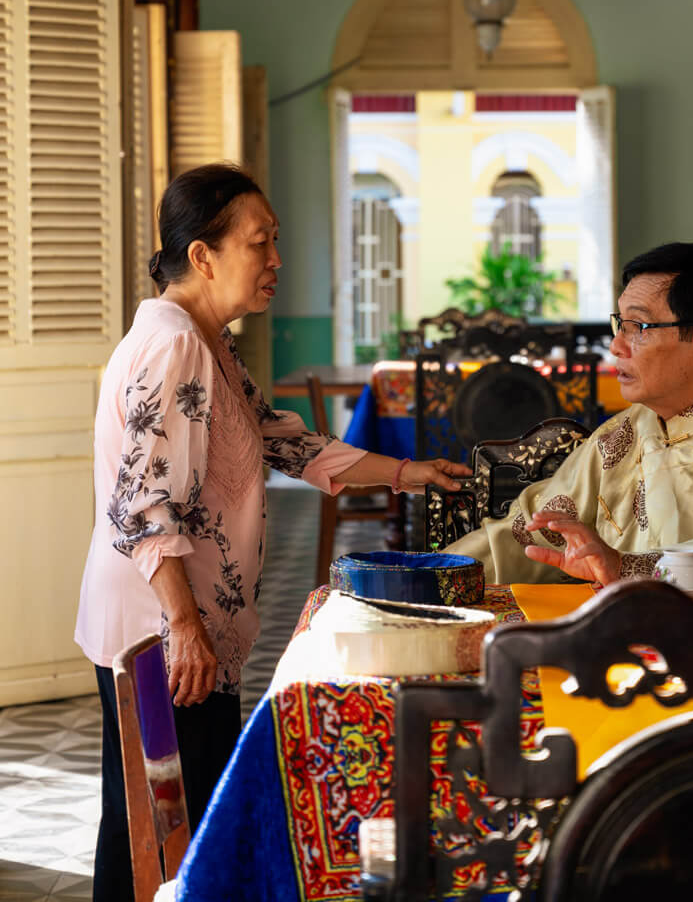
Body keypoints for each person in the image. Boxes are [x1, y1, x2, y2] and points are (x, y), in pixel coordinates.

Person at [74, 164, 470, 901]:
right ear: (203, 255)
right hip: (161, 633)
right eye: (262, 243)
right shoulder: (174, 346)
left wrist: (409, 472)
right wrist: (184, 625)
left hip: (181, 627)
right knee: (160, 832)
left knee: (160, 827)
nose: (277, 260)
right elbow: (139, 505)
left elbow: (285, 441)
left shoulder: (204, 340)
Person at [446, 242, 693, 587]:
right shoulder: (619, 437)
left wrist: (627, 567)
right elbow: (528, 533)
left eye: (639, 327)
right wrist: (432, 573)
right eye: (620, 324)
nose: (616, 346)